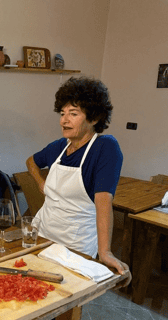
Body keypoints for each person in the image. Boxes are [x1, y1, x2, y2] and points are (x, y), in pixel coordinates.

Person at [26, 76, 130, 279]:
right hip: (43, 234)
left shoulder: (105, 148)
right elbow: (31, 162)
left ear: (94, 118)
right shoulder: (59, 146)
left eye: (73, 114)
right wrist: (41, 183)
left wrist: (105, 252)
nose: (64, 120)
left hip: (76, 244)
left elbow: (103, 202)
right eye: (62, 113)